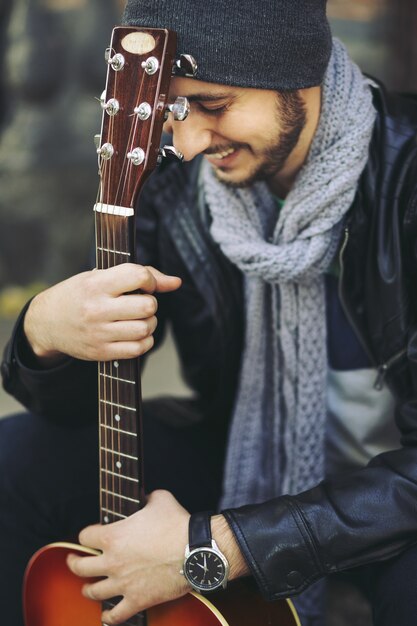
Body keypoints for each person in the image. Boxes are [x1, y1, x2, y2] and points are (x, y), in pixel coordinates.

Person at [2, 1, 417, 625]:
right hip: (243, 459)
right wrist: (43, 336)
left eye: (213, 104)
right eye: (171, 111)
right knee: (16, 459)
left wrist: (215, 546)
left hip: (392, 501)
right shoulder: (172, 182)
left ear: (295, 69)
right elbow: (86, 409)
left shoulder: (405, 184)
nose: (189, 143)